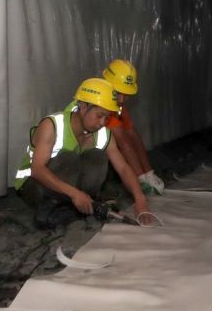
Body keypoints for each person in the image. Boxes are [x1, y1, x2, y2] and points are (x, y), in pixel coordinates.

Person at [15, 77, 150, 227]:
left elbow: (123, 168)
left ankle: (76, 205)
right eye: (99, 115)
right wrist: (74, 193)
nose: (102, 123)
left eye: (107, 117)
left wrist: (140, 199)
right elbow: (37, 170)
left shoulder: (103, 133)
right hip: (35, 187)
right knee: (69, 158)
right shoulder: (53, 125)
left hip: (68, 188)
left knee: (98, 157)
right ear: (84, 107)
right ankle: (52, 207)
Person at [100, 58, 166, 196]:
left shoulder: (117, 104)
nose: (122, 99)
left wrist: (149, 173)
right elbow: (124, 143)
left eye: (126, 94)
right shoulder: (102, 105)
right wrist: (141, 180)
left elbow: (132, 135)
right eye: (119, 92)